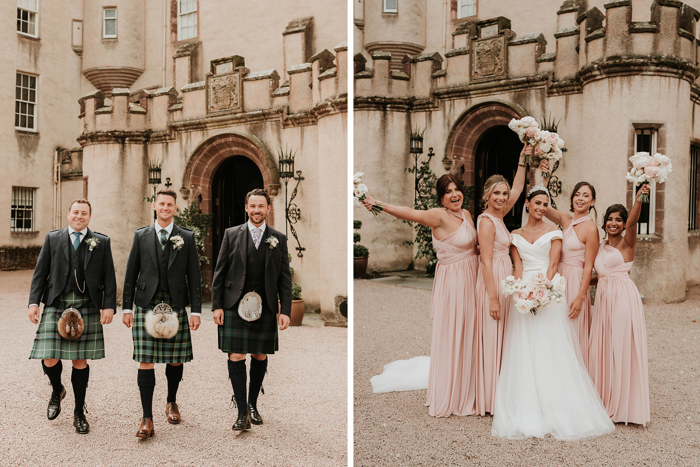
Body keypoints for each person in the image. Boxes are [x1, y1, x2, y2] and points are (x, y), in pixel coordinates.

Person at [491, 185, 614, 440]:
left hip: (547, 292)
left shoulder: (556, 232)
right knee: (524, 347)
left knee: (551, 347)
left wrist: (542, 292)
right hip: (523, 293)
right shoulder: (515, 234)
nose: (541, 208)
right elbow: (517, 265)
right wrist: (520, 291)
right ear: (527, 204)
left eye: (545, 204)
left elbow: (555, 263)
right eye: (537, 203)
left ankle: (555, 403)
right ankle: (526, 402)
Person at [362, 174, 479, 417]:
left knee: (471, 330)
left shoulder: (467, 215)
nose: (455, 195)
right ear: (441, 198)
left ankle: (470, 385)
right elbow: (408, 212)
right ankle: (451, 391)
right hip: (453, 282)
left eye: (457, 189)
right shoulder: (438, 215)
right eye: (448, 191)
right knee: (454, 330)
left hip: (473, 277)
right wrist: (377, 203)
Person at [28, 199, 117, 434]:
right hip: (56, 303)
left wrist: (109, 306)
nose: (79, 216)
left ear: (89, 217)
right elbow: (40, 272)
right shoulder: (53, 238)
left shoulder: (102, 242)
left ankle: (79, 411)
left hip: (86, 304)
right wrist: (33, 303)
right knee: (48, 356)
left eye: (84, 213)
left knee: (80, 361)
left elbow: (109, 275)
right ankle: (57, 389)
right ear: (68, 214)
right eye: (75, 212)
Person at [122, 189, 202, 438]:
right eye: (162, 204)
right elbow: (131, 272)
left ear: (175, 208)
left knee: (175, 359)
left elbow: (195, 276)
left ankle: (171, 401)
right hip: (146, 302)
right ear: (154, 205)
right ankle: (147, 418)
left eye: (170, 204)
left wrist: (196, 311)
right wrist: (126, 307)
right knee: (145, 360)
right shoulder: (141, 235)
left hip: (176, 303)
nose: (165, 208)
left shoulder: (186, 237)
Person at [211, 188, 292, 431]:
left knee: (259, 355)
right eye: (252, 206)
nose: (257, 210)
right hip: (234, 305)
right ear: (246, 208)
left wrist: (285, 310)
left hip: (265, 306)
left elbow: (284, 278)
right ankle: (241, 412)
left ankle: (253, 404)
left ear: (268, 208)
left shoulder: (279, 238)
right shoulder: (231, 234)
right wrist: (217, 306)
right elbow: (220, 272)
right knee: (236, 355)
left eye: (261, 206)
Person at [588, 184, 651, 426]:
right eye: (610, 219)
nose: (614, 223)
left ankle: (625, 405)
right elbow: (599, 275)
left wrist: (638, 200)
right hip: (603, 299)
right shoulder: (601, 246)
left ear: (624, 224)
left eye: (619, 220)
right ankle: (605, 399)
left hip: (624, 298)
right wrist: (579, 285)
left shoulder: (627, 243)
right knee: (603, 346)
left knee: (621, 345)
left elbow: (635, 223)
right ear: (604, 222)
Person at [474, 144, 529, 416]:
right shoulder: (486, 221)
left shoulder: (500, 216)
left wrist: (522, 161)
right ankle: (489, 397)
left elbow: (519, 190)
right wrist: (492, 297)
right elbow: (484, 260)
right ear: (487, 195)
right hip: (491, 281)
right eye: (497, 193)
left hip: (504, 276)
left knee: (503, 336)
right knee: (492, 334)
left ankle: (501, 390)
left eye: (504, 194)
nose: (502, 197)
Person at [538, 164, 600, 367]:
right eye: (577, 195)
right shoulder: (566, 219)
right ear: (572, 198)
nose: (580, 198)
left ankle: (577, 373)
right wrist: (544, 180)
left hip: (575, 280)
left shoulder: (591, 229)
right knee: (555, 327)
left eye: (585, 195)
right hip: (558, 277)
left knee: (573, 326)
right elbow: (542, 208)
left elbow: (589, 266)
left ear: (592, 202)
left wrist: (581, 297)